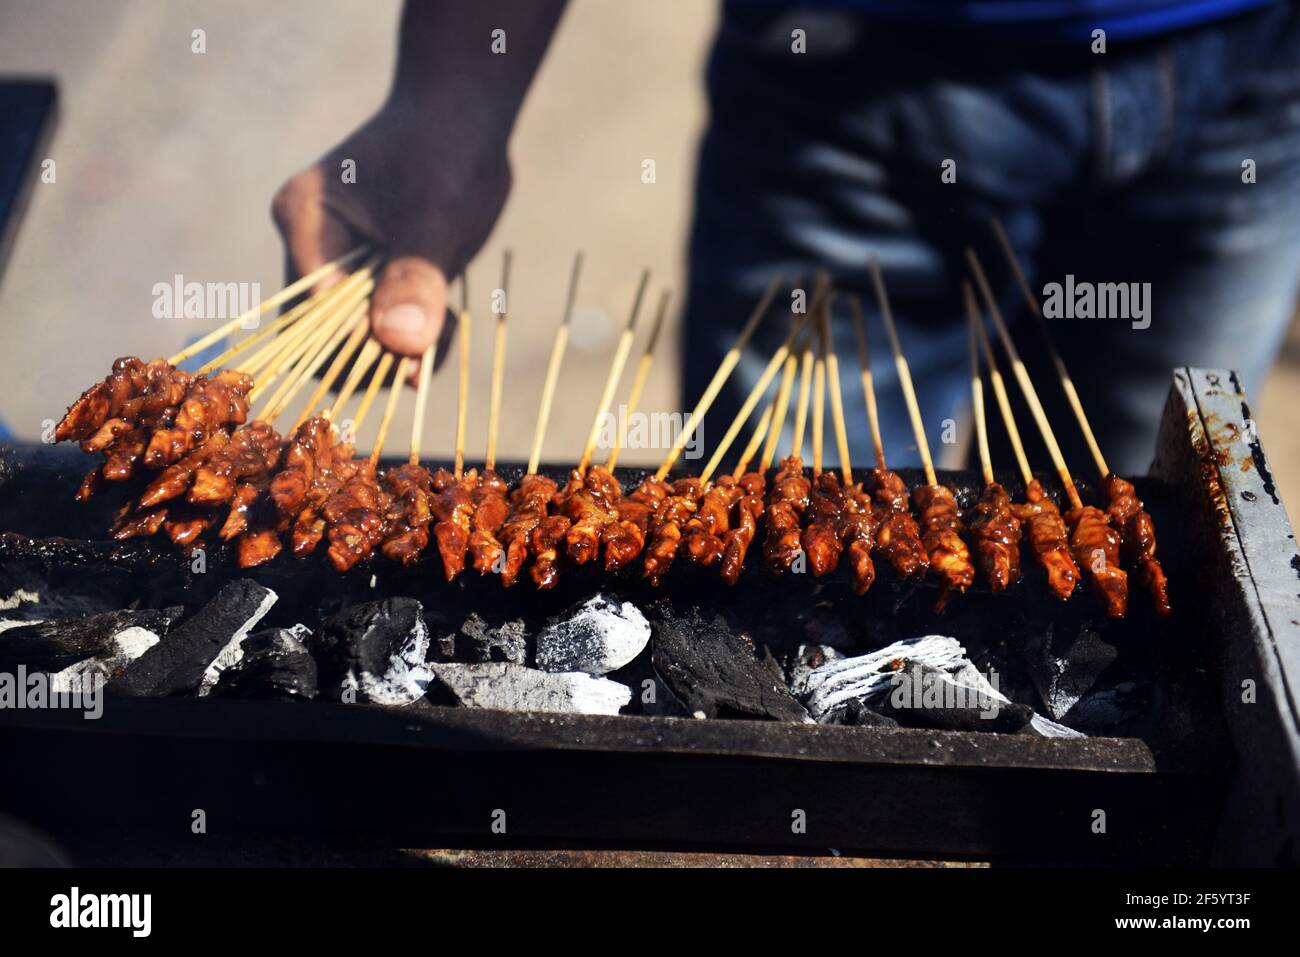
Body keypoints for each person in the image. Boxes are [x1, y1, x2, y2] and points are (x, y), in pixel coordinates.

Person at [272, 0, 1300, 475]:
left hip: (1258, 77)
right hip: (846, 79)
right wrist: (450, 100)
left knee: (1132, 529)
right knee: (792, 558)